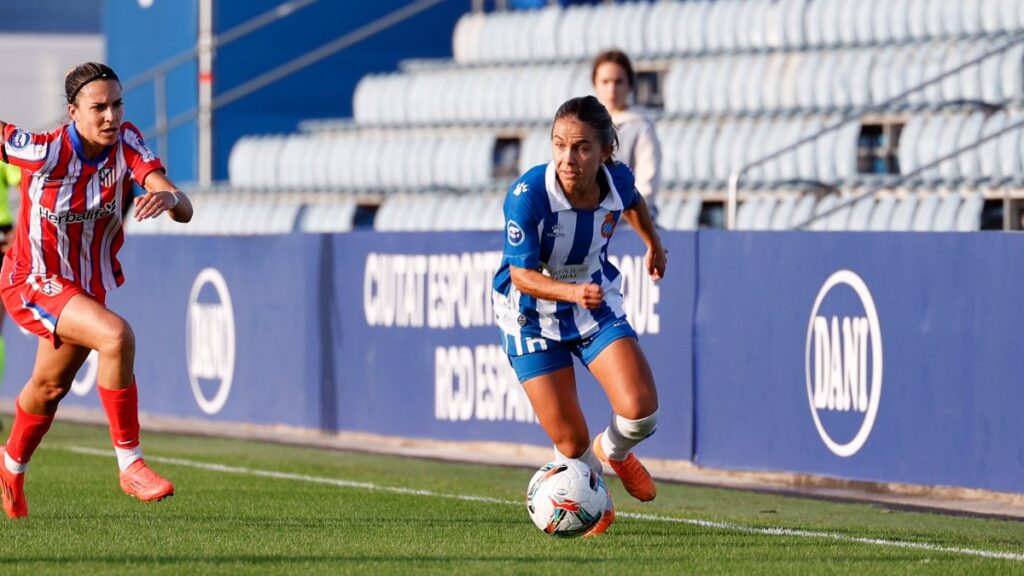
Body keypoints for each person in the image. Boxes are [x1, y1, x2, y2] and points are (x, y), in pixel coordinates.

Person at [0, 62, 194, 519]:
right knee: (117, 336)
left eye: (117, 104)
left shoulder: (126, 142)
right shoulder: (45, 152)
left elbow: (182, 206)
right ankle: (130, 463)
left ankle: (9, 467)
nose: (111, 116)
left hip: (83, 285)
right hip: (32, 279)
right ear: (74, 113)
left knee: (49, 387)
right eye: (99, 107)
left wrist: (168, 198)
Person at [492, 95, 667, 536]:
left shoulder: (616, 179)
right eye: (559, 145)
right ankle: (599, 501)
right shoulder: (529, 196)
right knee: (568, 444)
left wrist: (653, 243)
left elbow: (634, 201)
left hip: (593, 304)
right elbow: (521, 275)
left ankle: (614, 453)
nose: (568, 158)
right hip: (531, 316)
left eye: (582, 147)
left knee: (642, 412)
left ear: (606, 150)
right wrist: (571, 291)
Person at [592, 49, 662, 219]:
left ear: (629, 85)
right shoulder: (585, 126)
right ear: (595, 84)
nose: (612, 89)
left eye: (618, 81)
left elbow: (647, 184)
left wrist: (618, 214)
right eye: (605, 81)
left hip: (632, 225)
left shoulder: (641, 126)